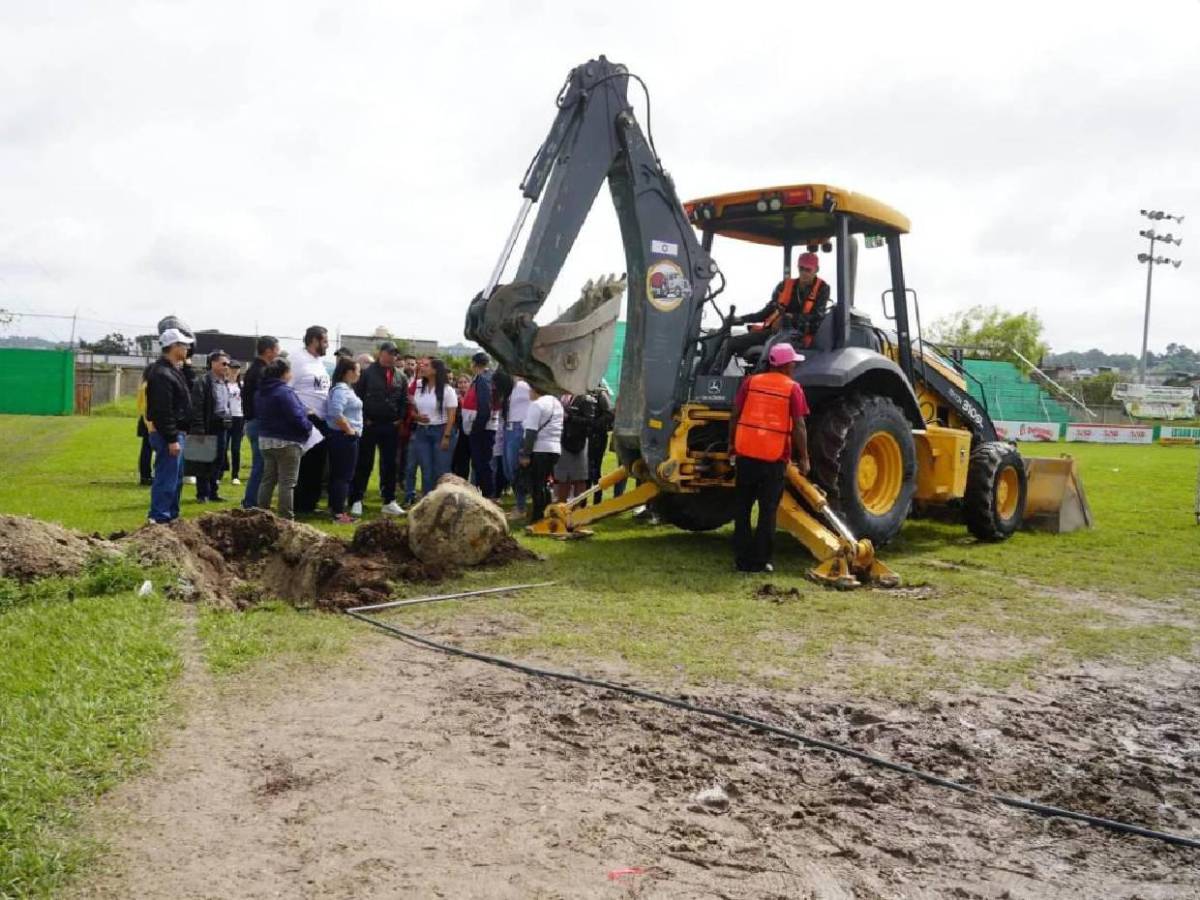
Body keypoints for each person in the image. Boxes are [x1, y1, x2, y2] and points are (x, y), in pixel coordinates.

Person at [728, 343, 811, 573]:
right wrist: (804, 457)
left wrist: (731, 445)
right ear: (787, 365)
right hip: (774, 458)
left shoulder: (751, 382)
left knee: (742, 508)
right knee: (767, 511)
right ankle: (760, 561)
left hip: (746, 454)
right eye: (793, 362)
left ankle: (741, 560)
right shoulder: (792, 388)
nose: (795, 365)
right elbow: (800, 426)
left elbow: (735, 415)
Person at [727, 252, 831, 361]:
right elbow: (766, 312)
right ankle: (714, 375)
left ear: (816, 269)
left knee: (773, 347)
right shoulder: (784, 286)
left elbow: (817, 317)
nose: (804, 272)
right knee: (731, 342)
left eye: (808, 269)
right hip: (776, 332)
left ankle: (760, 375)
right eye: (801, 268)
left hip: (799, 336)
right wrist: (741, 319)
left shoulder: (822, 289)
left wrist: (789, 317)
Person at [349, 341, 408, 517]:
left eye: (395, 354)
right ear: (381, 353)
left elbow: (403, 400)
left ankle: (389, 500)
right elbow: (357, 398)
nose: (392, 356)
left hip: (391, 426)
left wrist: (400, 418)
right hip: (370, 425)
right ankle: (356, 499)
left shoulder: (400, 376)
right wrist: (364, 419)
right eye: (389, 353)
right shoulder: (367, 374)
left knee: (390, 464)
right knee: (364, 462)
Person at [144, 328, 194, 523]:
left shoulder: (173, 370)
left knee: (175, 479)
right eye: (184, 344)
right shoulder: (162, 373)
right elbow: (162, 410)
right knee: (167, 479)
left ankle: (171, 517)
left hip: (175, 433)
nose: (188, 348)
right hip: (168, 435)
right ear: (174, 346)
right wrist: (172, 438)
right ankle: (159, 518)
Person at [256, 358, 314, 519]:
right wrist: (308, 427)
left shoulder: (261, 391)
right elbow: (295, 416)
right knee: (287, 483)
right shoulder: (285, 392)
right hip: (287, 442)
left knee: (268, 480)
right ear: (284, 373)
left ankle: (262, 514)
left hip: (266, 441)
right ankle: (286, 519)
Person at [291, 325, 332, 514]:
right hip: (306, 419)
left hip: (322, 419)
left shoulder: (319, 362)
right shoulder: (297, 360)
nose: (328, 345)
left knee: (318, 464)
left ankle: (310, 504)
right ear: (314, 340)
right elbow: (287, 389)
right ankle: (300, 504)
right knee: (306, 464)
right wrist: (302, 411)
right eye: (325, 341)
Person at [409, 358, 458, 499]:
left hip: (441, 431)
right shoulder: (418, 386)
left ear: (436, 370)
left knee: (441, 470)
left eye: (426, 366)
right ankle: (428, 502)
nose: (422, 367)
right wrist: (417, 417)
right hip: (422, 432)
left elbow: (452, 416)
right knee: (426, 470)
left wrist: (446, 436)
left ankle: (443, 501)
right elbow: (411, 409)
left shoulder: (448, 391)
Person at [240, 335, 280, 509]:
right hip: (258, 422)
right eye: (277, 349)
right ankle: (251, 502)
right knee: (261, 465)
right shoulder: (261, 372)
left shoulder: (256, 369)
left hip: (254, 421)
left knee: (263, 465)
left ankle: (256, 501)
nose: (278, 353)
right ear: (269, 351)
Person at [190, 350, 232, 503]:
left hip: (223, 425)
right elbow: (197, 406)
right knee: (203, 459)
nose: (227, 367)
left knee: (219, 460)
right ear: (213, 363)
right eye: (224, 364)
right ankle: (202, 493)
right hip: (208, 425)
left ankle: (214, 491)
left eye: (228, 364)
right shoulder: (203, 382)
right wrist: (199, 428)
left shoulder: (224, 382)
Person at [326, 357, 363, 523]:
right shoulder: (341, 390)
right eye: (357, 371)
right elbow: (335, 412)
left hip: (342, 436)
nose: (359, 374)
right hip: (344, 437)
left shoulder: (346, 388)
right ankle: (339, 514)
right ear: (348, 372)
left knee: (339, 475)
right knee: (344, 476)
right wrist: (349, 430)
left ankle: (335, 509)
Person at [519, 384, 564, 523]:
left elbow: (531, 432)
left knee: (537, 485)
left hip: (539, 449)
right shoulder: (556, 403)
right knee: (545, 483)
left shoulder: (537, 405)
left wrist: (526, 454)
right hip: (554, 448)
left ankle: (538, 517)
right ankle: (547, 514)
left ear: (535, 390)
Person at [497, 373, 531, 518]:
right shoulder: (509, 389)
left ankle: (521, 506)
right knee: (508, 470)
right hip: (508, 428)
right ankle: (520, 503)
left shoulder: (523, 387)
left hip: (518, 428)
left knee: (515, 470)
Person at [554, 392, 596, 502]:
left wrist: (569, 417)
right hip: (563, 441)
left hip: (578, 443)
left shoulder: (586, 399)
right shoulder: (561, 396)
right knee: (562, 477)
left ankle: (578, 509)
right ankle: (561, 506)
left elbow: (590, 421)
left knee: (579, 478)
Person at [467, 352, 496, 498]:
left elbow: (484, 407)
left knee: (482, 463)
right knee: (481, 463)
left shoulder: (483, 380)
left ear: (474, 363)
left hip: (483, 428)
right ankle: (483, 493)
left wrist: (476, 428)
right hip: (487, 426)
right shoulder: (488, 377)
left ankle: (486, 494)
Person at [587, 383, 615, 505]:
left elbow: (609, 414)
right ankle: (582, 501)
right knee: (586, 470)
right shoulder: (586, 390)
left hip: (597, 437)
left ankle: (597, 501)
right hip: (588, 436)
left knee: (594, 470)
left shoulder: (600, 393)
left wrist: (594, 425)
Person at [225, 361, 244, 485]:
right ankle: (220, 472)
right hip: (226, 418)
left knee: (235, 448)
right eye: (232, 368)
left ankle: (235, 475)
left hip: (239, 417)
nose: (234, 370)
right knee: (223, 447)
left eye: (237, 368)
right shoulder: (224, 384)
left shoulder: (242, 385)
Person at [452, 373, 473, 479]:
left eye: (465, 382)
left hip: (471, 431)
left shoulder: (473, 396)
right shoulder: (454, 397)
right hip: (458, 431)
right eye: (460, 382)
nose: (463, 385)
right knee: (460, 460)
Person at [136, 363, 154, 485]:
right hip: (149, 420)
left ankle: (145, 475)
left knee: (146, 449)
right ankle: (146, 476)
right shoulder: (149, 386)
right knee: (147, 450)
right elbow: (146, 406)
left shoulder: (143, 385)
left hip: (144, 419)